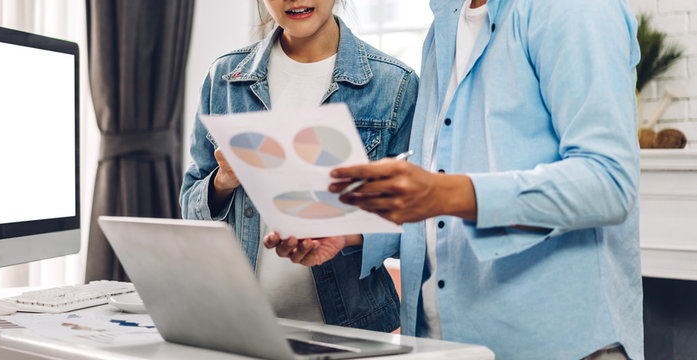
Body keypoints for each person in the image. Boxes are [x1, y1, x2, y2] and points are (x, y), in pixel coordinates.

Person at [264, 0, 642, 358]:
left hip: (556, 346)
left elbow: (608, 181)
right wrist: (355, 231)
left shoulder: (572, 9)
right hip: (444, 343)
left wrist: (444, 193)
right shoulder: (445, 23)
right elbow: (441, 211)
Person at [179, 0, 418, 332]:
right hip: (240, 324)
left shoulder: (395, 84)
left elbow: (416, 225)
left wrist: (349, 233)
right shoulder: (225, 77)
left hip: (352, 329)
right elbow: (190, 208)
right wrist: (223, 181)